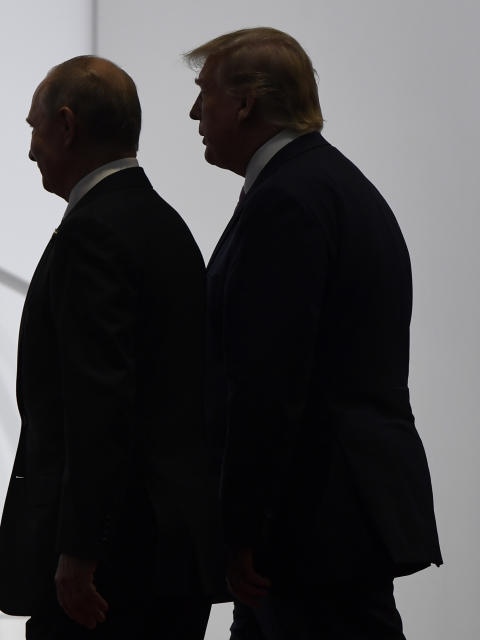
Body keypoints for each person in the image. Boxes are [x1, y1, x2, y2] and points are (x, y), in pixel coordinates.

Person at [185, 27, 443, 639]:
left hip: (308, 524)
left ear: (245, 103)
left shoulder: (288, 201)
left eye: (205, 94)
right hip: (332, 517)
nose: (195, 111)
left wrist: (243, 526)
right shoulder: (331, 186)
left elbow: (268, 382)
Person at [0, 55, 221, 639]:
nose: (30, 149)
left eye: (34, 128)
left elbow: (99, 406)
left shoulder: (93, 232)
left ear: (67, 126)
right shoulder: (166, 225)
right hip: (169, 554)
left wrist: (80, 551)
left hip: (112, 570)